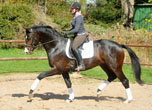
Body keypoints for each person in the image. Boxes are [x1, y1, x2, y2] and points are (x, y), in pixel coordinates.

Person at [65, 2, 86, 71]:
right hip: (76, 35)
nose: (71, 10)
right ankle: (72, 62)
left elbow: (76, 29)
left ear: (77, 9)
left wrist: (69, 32)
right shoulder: (75, 17)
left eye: (72, 9)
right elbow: (73, 28)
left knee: (74, 47)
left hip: (81, 35)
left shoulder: (79, 17)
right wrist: (67, 31)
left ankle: (81, 64)